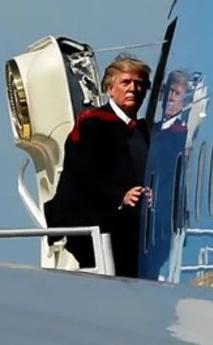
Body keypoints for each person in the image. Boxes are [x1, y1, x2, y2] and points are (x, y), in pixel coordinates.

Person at [44, 53, 152, 277]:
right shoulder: (92, 125)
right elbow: (82, 176)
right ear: (110, 89)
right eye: (126, 82)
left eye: (139, 84)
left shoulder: (145, 131)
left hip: (137, 230)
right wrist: (120, 197)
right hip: (101, 227)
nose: (133, 89)